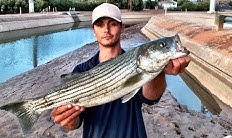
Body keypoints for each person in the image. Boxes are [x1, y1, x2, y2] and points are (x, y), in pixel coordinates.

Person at [51, 3, 191, 138]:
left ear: (122, 27)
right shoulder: (81, 70)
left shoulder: (138, 63)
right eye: (100, 25)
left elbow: (151, 98)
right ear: (94, 31)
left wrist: (160, 71)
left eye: (112, 23)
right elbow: (75, 123)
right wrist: (68, 120)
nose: (106, 29)